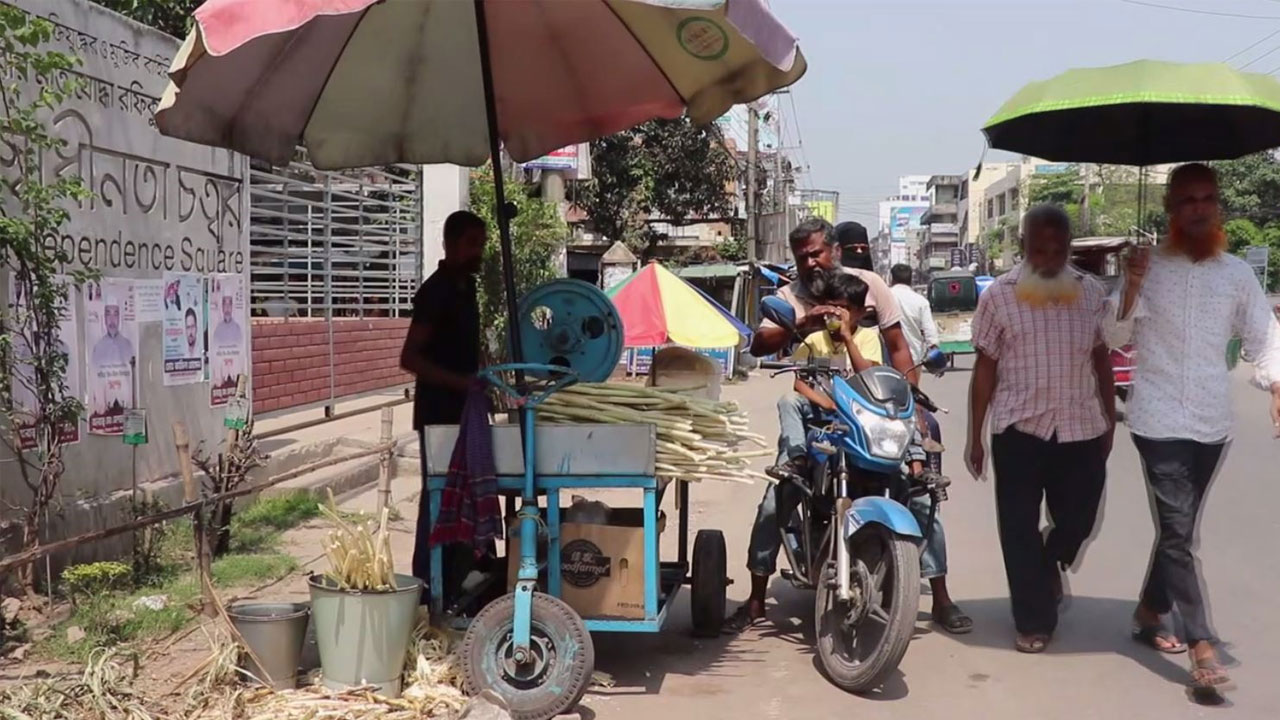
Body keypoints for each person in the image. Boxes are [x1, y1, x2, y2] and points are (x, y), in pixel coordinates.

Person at [1105, 163, 1280, 691]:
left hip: (1212, 422)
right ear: (1171, 211)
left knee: (1176, 529)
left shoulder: (1237, 275)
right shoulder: (1146, 266)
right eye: (1187, 200)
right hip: (1157, 418)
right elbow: (1113, 333)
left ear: (1217, 206)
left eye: (1207, 198)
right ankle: (1201, 645)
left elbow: (1265, 337)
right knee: (1179, 531)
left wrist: (1276, 382)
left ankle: (1148, 609)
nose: (1199, 208)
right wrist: (1131, 285)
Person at [723, 217, 919, 633]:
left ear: (835, 251)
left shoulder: (868, 288)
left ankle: (938, 594)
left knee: (916, 491)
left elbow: (899, 349)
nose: (810, 262)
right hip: (816, 420)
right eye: (802, 256)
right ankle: (756, 598)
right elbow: (760, 345)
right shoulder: (788, 297)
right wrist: (803, 324)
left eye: (817, 253)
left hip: (867, 417)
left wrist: (911, 404)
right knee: (776, 501)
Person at [966, 204, 1116, 654]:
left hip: (1081, 428)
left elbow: (1102, 360)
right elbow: (985, 368)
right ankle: (1033, 620)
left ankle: (1051, 558)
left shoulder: (1091, 294)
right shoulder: (998, 296)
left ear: (1069, 248)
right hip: (1018, 430)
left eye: (1057, 250)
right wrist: (975, 435)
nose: (1048, 259)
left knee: (1079, 520)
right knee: (1017, 528)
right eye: (1038, 250)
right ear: (1023, 247)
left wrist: (1109, 420)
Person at [399, 210, 488, 604]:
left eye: (481, 244)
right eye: (471, 244)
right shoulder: (435, 292)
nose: (478, 252)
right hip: (439, 415)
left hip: (465, 414)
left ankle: (457, 581)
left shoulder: (465, 288)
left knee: (463, 496)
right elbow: (410, 358)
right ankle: (427, 585)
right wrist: (461, 383)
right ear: (449, 244)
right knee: (437, 498)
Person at [889, 264, 941, 370]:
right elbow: (930, 332)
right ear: (910, 280)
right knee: (912, 386)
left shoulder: (885, 297)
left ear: (892, 279)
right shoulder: (920, 301)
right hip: (914, 359)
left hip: (889, 359)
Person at [91, 298, 134, 368]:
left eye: (115, 314)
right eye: (108, 314)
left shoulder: (128, 345)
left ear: (119, 317)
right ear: (104, 318)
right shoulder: (98, 347)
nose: (112, 319)